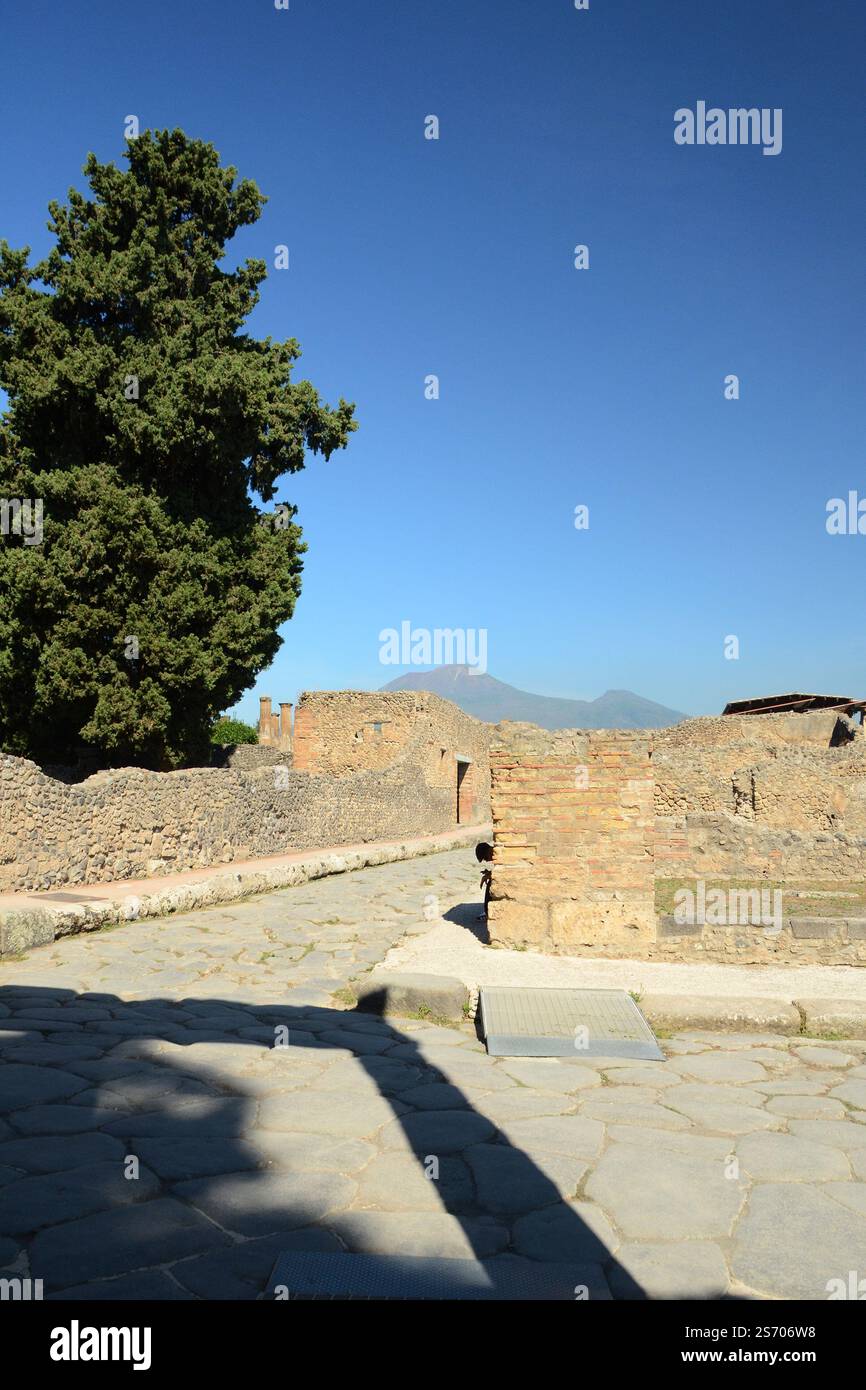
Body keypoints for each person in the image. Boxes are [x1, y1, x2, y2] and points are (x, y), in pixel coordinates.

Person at [475, 841, 494, 921]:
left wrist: (489, 876)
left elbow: (506, 871)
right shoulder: (495, 855)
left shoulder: (499, 855)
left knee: (491, 884)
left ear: (488, 851)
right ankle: (487, 912)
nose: (486, 861)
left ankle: (488, 913)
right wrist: (489, 873)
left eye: (485, 858)